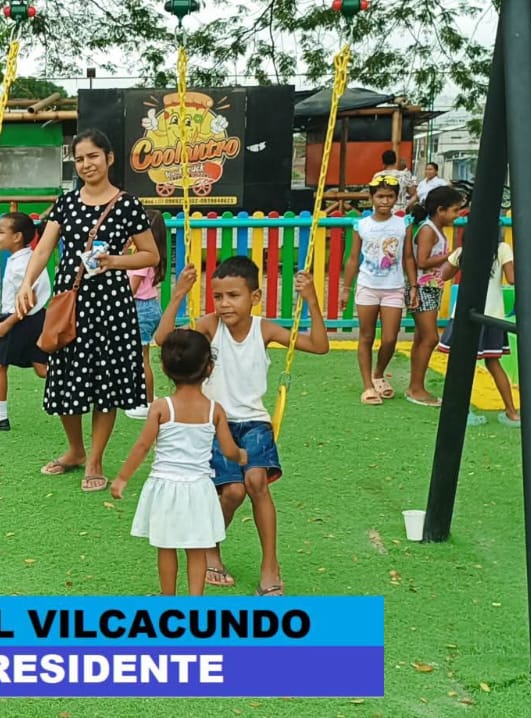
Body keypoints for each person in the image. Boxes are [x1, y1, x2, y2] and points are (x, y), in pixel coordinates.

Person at [157, 257, 330, 595]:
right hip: (215, 423)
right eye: (218, 296)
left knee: (256, 481)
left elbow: (320, 346)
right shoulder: (209, 326)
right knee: (233, 492)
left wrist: (311, 299)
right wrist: (178, 295)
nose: (224, 304)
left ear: (255, 296)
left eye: (233, 296)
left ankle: (270, 565)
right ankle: (211, 547)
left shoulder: (265, 330)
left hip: (255, 423)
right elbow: (164, 340)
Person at [15, 129, 160, 493]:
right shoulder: (66, 203)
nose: (86, 164)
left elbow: (151, 255)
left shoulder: (127, 205)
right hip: (72, 300)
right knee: (66, 375)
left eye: (93, 156)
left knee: (105, 381)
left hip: (112, 303)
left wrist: (115, 261)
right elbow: (44, 249)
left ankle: (95, 458)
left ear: (109, 158)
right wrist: (27, 282)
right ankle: (75, 450)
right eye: (79, 159)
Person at [110, 329, 242, 597]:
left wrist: (123, 477)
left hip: (166, 487)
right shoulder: (214, 410)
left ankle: (168, 598)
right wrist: (242, 455)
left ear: (165, 367)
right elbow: (229, 450)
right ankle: (195, 601)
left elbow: (142, 446)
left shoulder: (161, 407)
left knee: (166, 547)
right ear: (209, 367)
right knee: (197, 549)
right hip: (200, 489)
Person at [437, 236, 521, 427]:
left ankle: (461, 411)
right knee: (493, 363)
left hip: (463, 313)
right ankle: (511, 412)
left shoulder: (464, 250)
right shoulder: (502, 248)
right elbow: (512, 279)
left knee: (462, 364)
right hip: (492, 316)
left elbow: (444, 275)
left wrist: (460, 255)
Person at [0, 211, 50, 431]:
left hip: (20, 320)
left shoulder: (21, 265)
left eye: (1, 232)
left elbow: (29, 300)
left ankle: (1, 417)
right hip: (36, 319)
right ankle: (83, 384)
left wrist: (6, 325)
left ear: (17, 237)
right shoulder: (29, 258)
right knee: (41, 368)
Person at [342, 176, 410, 405]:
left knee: (390, 338)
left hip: (394, 286)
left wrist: (414, 286)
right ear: (371, 198)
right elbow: (353, 259)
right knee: (366, 335)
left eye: (390, 196)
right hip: (367, 285)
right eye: (380, 196)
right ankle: (368, 386)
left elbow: (408, 257)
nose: (385, 201)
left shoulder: (403, 224)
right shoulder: (362, 225)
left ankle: (378, 374)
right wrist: (346, 288)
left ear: (396, 198)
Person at [406, 186, 459, 406]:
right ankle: (416, 388)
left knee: (421, 338)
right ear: (440, 210)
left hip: (431, 288)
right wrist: (450, 255)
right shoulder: (428, 230)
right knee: (430, 338)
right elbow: (422, 261)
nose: (457, 215)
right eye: (454, 210)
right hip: (423, 288)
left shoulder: (436, 229)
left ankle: (415, 385)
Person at [125, 210, 168, 420]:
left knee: (141, 357)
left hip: (140, 309)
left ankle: (146, 401)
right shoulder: (149, 254)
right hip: (148, 306)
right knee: (140, 355)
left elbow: (130, 290)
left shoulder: (142, 259)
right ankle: (145, 396)